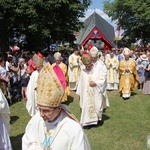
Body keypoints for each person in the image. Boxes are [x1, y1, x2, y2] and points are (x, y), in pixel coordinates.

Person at [22, 63, 91, 150]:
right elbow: (28, 141)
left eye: (46, 111)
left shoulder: (73, 129)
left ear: (59, 109)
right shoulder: (36, 120)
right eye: (39, 109)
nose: (41, 114)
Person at [76, 52, 106, 127]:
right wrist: (80, 94)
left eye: (89, 66)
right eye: (86, 66)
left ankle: (96, 121)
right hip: (86, 95)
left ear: (91, 64)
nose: (88, 68)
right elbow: (81, 84)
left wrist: (95, 83)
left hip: (96, 92)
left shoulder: (97, 70)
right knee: (86, 106)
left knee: (97, 106)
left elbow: (102, 80)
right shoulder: (83, 72)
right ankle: (87, 122)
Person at [26, 52, 44, 117]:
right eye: (36, 66)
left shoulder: (45, 72)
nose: (37, 68)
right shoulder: (34, 74)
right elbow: (30, 86)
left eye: (39, 67)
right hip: (35, 94)